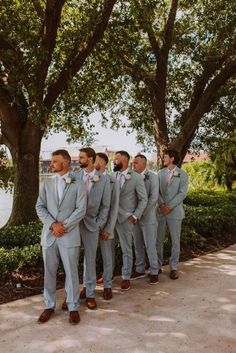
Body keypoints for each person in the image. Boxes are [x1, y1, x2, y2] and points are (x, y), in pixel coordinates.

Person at [36, 149, 87, 325]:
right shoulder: (46, 183)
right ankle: (49, 305)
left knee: (71, 273)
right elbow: (39, 207)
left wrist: (63, 226)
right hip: (49, 235)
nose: (52, 164)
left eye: (55, 161)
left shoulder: (78, 183)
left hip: (69, 235)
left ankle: (73, 307)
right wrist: (53, 225)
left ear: (65, 163)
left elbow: (81, 209)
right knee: (49, 273)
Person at [76, 147, 111, 309]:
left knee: (89, 260)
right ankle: (73, 294)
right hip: (74, 225)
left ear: (90, 159)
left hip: (92, 225)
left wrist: (98, 224)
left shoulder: (103, 179)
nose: (79, 160)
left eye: (81, 157)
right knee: (71, 260)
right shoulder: (74, 177)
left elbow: (106, 206)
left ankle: (90, 293)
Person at [112, 151, 147, 291]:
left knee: (126, 249)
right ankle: (108, 275)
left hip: (126, 219)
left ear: (125, 160)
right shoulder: (110, 176)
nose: (114, 161)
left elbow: (144, 199)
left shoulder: (137, 178)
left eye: (116, 159)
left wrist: (135, 215)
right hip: (110, 219)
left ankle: (126, 277)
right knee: (108, 249)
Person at [156, 148, 189, 280]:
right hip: (160, 211)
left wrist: (169, 206)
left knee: (175, 241)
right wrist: (162, 204)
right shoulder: (159, 173)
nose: (163, 158)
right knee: (158, 240)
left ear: (172, 158)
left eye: (165, 157)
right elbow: (156, 191)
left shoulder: (183, 174)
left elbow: (182, 193)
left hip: (175, 213)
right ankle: (157, 266)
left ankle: (174, 267)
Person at [94, 152, 119, 300]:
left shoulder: (112, 181)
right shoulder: (88, 178)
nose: (93, 162)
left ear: (102, 162)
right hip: (89, 226)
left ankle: (108, 286)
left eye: (95, 160)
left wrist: (108, 228)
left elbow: (114, 206)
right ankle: (88, 285)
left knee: (107, 256)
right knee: (89, 258)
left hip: (106, 226)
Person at [132, 154, 159, 284]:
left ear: (144, 163)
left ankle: (154, 270)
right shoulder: (131, 176)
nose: (133, 164)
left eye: (136, 162)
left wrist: (141, 212)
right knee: (137, 244)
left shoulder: (153, 177)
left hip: (148, 217)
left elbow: (154, 198)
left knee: (150, 245)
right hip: (133, 217)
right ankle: (139, 268)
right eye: (133, 162)